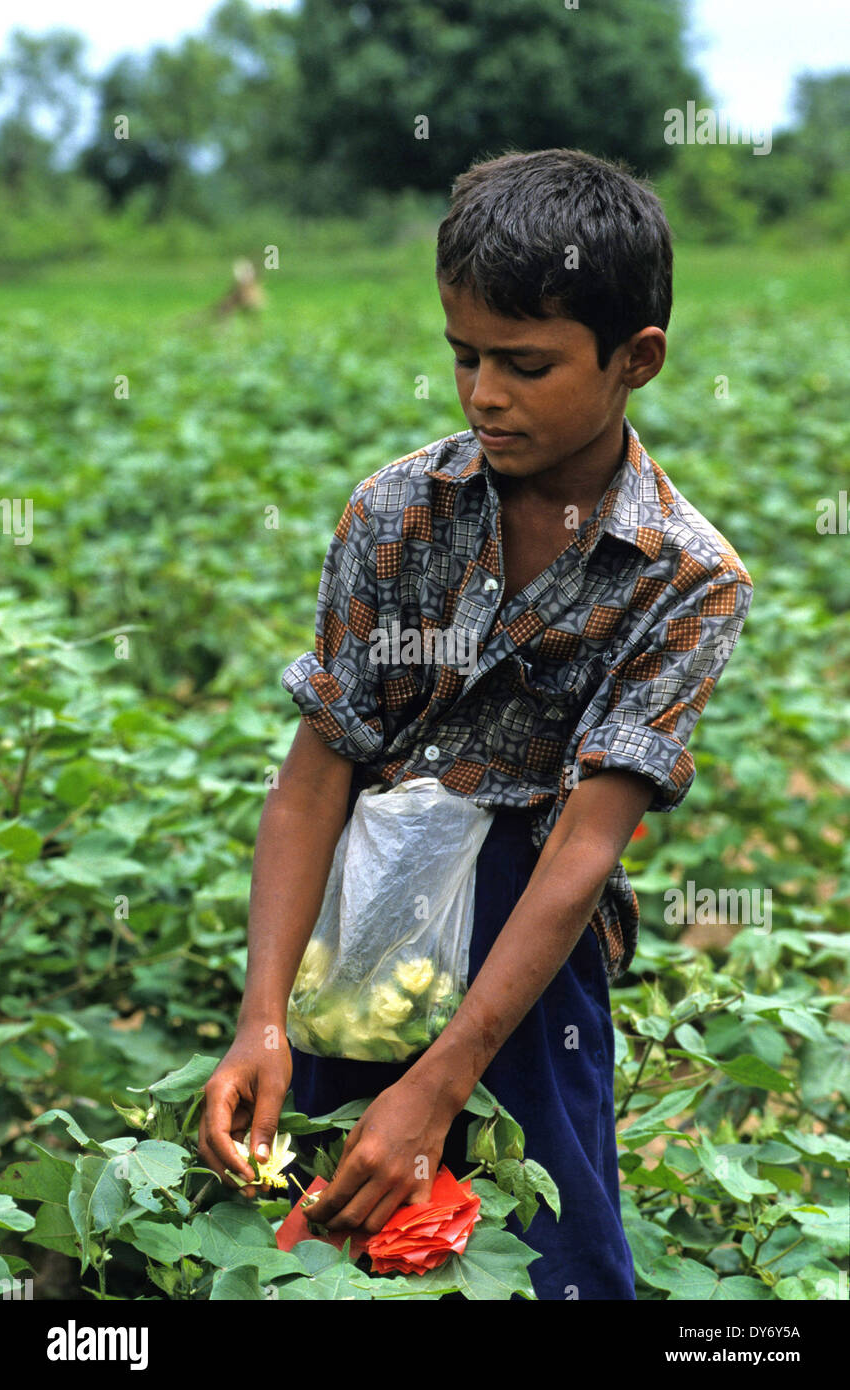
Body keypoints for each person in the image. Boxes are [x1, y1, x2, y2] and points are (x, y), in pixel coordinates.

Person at [198, 147, 754, 1300]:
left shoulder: (682, 576)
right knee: (319, 1235)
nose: (483, 393)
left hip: (528, 957)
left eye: (526, 363)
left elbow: (582, 846)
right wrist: (263, 1019)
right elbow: (316, 779)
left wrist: (441, 1083)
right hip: (362, 920)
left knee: (545, 1247)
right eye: (463, 356)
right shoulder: (396, 512)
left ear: (635, 359)